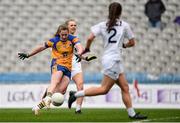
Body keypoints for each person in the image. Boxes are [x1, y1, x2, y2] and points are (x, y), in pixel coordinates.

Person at [68, 2, 147, 119]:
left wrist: (88, 48)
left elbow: (90, 37)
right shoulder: (124, 25)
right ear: (120, 12)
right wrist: (124, 46)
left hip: (111, 59)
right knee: (104, 89)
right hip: (114, 60)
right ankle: (75, 94)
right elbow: (132, 42)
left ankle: (132, 114)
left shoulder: (103, 25)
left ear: (109, 11)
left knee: (125, 87)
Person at [18, 24, 84, 115]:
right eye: (62, 35)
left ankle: (37, 107)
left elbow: (79, 46)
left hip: (68, 67)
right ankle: (49, 96)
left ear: (68, 33)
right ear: (59, 34)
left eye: (66, 35)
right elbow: (41, 47)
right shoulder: (54, 41)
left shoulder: (72, 38)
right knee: (55, 82)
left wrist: (80, 53)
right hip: (57, 64)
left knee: (61, 91)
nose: (64, 37)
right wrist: (29, 55)